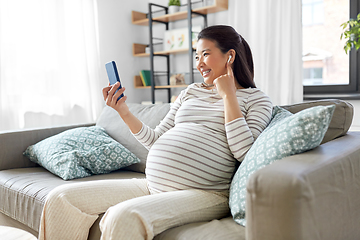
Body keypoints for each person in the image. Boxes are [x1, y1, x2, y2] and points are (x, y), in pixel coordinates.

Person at [38, 25, 273, 240]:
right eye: (197, 56)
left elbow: (245, 153)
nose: (199, 63)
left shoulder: (256, 100)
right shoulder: (191, 91)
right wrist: (123, 111)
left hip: (207, 192)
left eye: (206, 54)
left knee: (122, 216)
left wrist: (228, 96)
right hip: (153, 184)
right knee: (60, 199)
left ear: (230, 56)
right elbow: (156, 139)